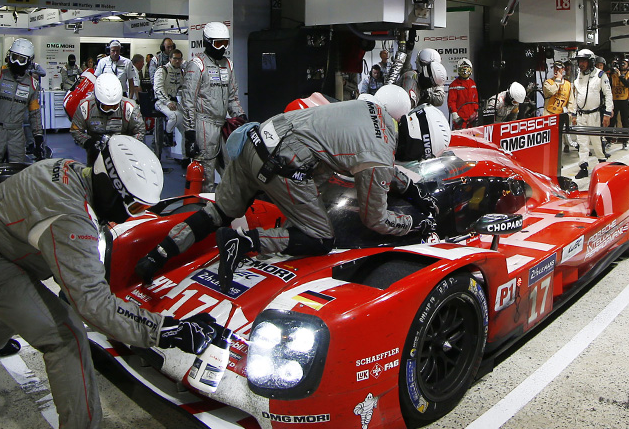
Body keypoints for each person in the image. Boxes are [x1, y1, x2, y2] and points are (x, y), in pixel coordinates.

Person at [0, 135, 220, 429]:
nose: (127, 215)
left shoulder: (69, 171)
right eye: (130, 206)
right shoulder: (70, 219)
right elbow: (94, 307)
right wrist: (166, 330)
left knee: (29, 298)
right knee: (65, 334)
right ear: (110, 186)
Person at [134, 102, 451, 292]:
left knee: (220, 211)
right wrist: (413, 223)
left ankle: (156, 256)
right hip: (283, 164)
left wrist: (413, 191)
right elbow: (375, 218)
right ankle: (243, 242)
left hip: (255, 139)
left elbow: (370, 159)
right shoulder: (380, 158)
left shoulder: (375, 111)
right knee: (320, 238)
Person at [181, 22, 246, 192]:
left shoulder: (228, 64)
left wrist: (241, 118)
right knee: (206, 175)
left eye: (225, 43)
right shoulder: (197, 65)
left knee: (230, 171)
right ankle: (205, 211)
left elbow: (233, 97)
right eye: (218, 43)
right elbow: (188, 102)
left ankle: (226, 210)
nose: (223, 47)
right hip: (204, 124)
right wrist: (189, 134)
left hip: (222, 125)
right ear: (208, 42)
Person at [0, 38, 44, 164]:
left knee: (17, 170)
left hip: (16, 133)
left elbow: (35, 113)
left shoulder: (32, 84)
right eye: (14, 57)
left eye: (21, 59)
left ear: (29, 61)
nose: (16, 62)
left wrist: (38, 138)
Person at [70, 72, 144, 165]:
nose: (110, 110)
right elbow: (75, 130)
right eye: (106, 107)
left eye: (114, 106)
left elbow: (139, 131)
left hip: (124, 154)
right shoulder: (85, 106)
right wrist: (88, 143)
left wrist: (128, 147)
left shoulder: (130, 107)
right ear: (97, 100)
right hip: (95, 152)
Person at [571, 48, 613, 180]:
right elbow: (575, 95)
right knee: (582, 142)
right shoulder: (578, 76)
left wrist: (607, 113)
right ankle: (583, 167)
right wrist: (573, 114)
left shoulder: (600, 75)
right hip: (581, 115)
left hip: (595, 115)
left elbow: (608, 95)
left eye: (584, 61)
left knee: (596, 141)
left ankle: (602, 164)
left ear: (591, 61)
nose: (581, 64)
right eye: (579, 61)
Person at [154, 48, 185, 156]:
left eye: (179, 59)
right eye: (175, 58)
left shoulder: (180, 71)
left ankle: (185, 158)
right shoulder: (162, 70)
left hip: (174, 102)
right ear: (170, 59)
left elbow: (182, 87)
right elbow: (158, 88)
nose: (177, 61)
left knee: (187, 127)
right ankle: (167, 135)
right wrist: (167, 102)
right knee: (175, 116)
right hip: (161, 102)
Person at [542, 61, 577, 153]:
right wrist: (557, 80)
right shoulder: (548, 82)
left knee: (560, 138)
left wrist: (570, 113)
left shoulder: (568, 84)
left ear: (563, 69)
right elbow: (551, 91)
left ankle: (559, 155)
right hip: (548, 113)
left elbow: (571, 101)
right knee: (548, 138)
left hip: (561, 114)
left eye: (558, 68)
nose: (556, 70)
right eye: (555, 68)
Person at [447, 57, 478, 129]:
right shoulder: (454, 85)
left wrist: (475, 111)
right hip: (460, 119)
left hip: (472, 118)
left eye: (467, 69)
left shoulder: (472, 83)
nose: (464, 72)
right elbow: (451, 102)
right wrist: (455, 114)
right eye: (462, 69)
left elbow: (475, 99)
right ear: (458, 70)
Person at [609, 59, 629, 149]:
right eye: (621, 64)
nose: (622, 65)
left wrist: (620, 75)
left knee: (625, 121)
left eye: (624, 64)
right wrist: (613, 66)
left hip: (624, 100)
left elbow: (627, 84)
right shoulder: (613, 74)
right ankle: (609, 139)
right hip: (614, 100)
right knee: (612, 120)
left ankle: (625, 140)